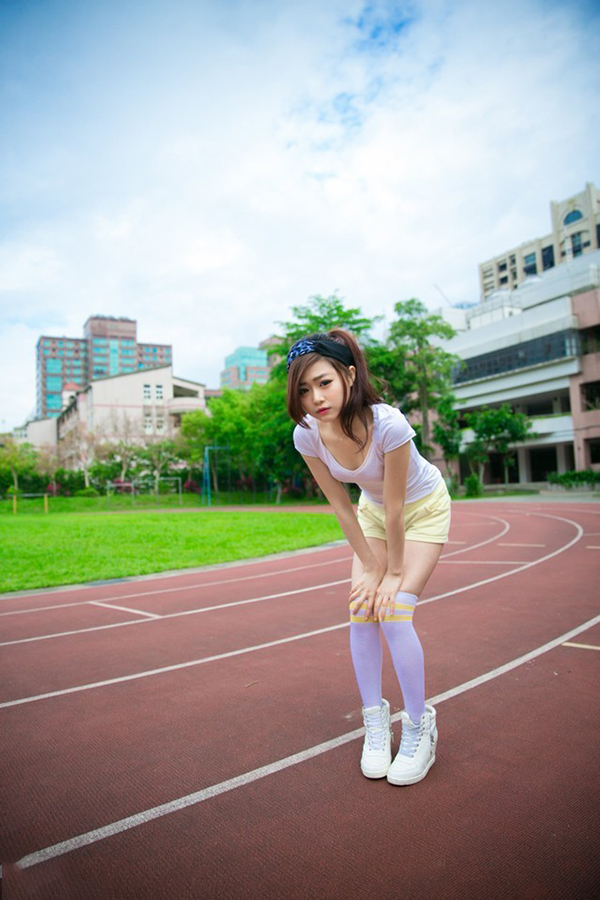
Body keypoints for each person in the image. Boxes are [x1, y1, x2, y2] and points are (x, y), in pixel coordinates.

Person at [287, 329, 451, 785]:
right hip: (372, 514)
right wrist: (371, 566)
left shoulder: (390, 425)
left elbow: (399, 506)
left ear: (349, 375)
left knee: (395, 611)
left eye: (324, 383)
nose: (315, 397)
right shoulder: (307, 437)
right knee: (361, 607)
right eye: (303, 389)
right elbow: (342, 505)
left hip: (422, 510)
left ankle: (419, 727)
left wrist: (392, 572)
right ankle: (375, 726)